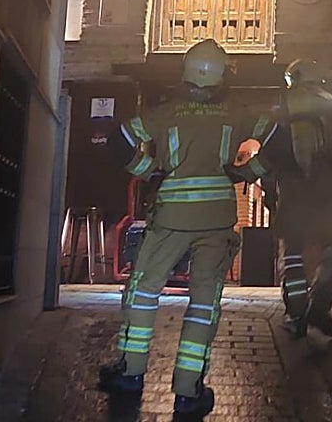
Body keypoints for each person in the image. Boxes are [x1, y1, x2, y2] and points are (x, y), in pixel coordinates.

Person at [97, 39, 276, 418]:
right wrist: (246, 172)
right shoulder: (238, 111)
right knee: (204, 302)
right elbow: (280, 139)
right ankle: (188, 391)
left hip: (172, 217)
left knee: (144, 292)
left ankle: (130, 373)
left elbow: (117, 141)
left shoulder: (165, 112)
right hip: (217, 218)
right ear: (222, 75)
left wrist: (150, 172)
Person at [234, 59, 332, 339]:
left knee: (293, 253)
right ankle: (320, 308)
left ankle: (296, 313)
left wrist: (262, 185)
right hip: (331, 193)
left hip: (295, 192)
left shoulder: (285, 105)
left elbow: (273, 153)